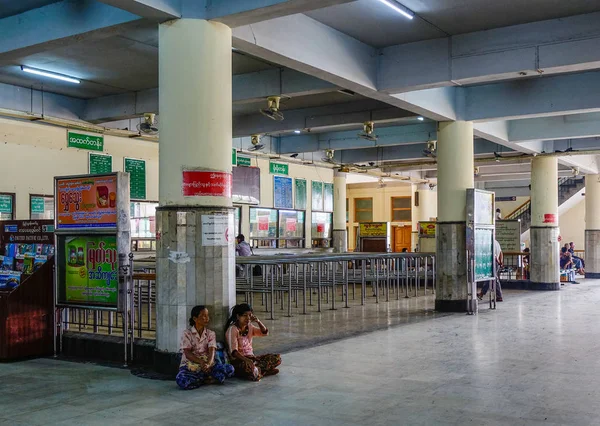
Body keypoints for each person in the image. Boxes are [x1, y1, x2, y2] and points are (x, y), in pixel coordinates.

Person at [176, 305, 235, 390]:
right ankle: (206, 379)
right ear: (195, 319)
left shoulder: (211, 333)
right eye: (204, 316)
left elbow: (212, 351)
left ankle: (202, 378)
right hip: (191, 365)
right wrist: (201, 362)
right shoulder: (187, 333)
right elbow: (187, 353)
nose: (207, 318)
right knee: (181, 379)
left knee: (230, 369)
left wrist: (208, 363)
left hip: (208, 365)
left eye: (207, 315)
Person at [225, 303, 281, 381]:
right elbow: (233, 352)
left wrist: (258, 321)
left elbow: (264, 333)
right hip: (239, 361)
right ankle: (262, 372)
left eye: (249, 315)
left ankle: (258, 372)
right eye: (245, 315)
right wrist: (246, 360)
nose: (248, 318)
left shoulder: (250, 326)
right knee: (247, 368)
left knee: (277, 358)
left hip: (252, 359)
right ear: (238, 316)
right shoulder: (233, 329)